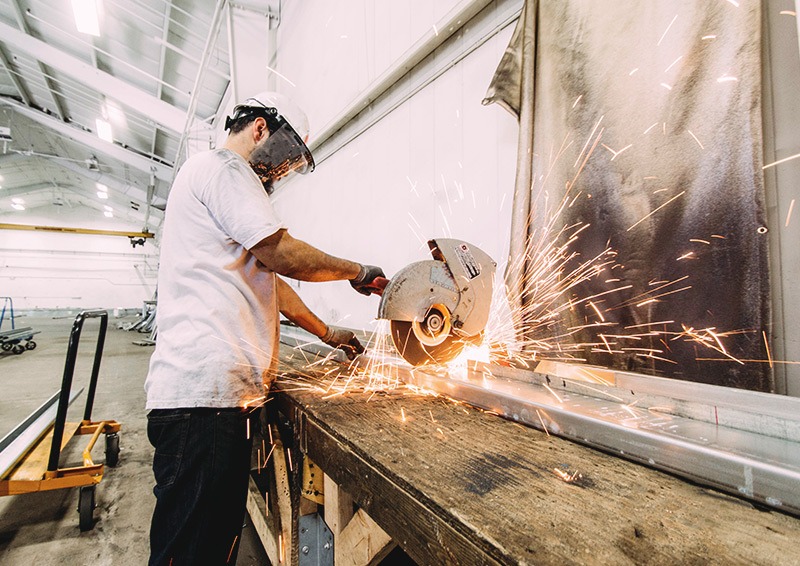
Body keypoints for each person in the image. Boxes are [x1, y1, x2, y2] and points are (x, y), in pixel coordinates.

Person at [144, 91, 384, 565]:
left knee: (209, 545)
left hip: (209, 402)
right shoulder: (225, 170)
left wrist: (325, 332)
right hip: (202, 403)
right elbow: (281, 254)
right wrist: (355, 270)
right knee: (192, 553)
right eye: (286, 156)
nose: (285, 170)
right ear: (259, 129)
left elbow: (268, 277)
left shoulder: (211, 179)